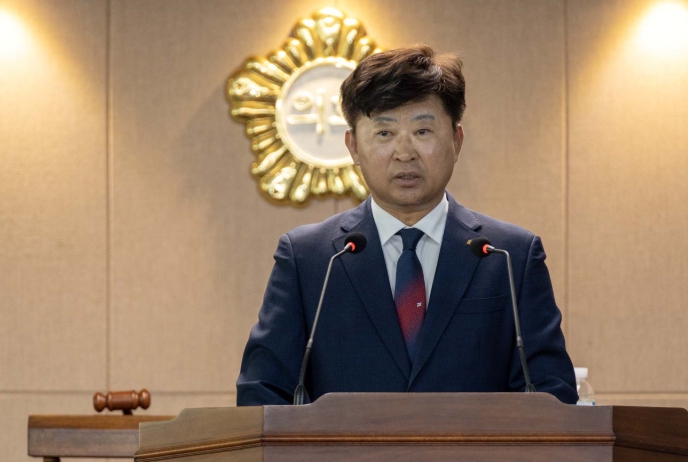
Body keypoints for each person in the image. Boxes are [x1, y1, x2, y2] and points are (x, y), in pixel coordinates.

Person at [236, 45, 578, 406]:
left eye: (422, 131)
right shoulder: (310, 259)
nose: (404, 153)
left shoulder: (509, 257)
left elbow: (551, 397)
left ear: (456, 141)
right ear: (353, 147)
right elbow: (262, 393)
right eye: (384, 133)